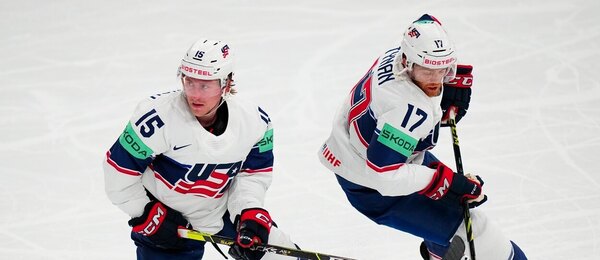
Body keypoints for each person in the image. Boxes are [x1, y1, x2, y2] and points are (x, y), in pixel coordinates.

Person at [318, 14, 527, 260]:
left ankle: (439, 249)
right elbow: (384, 175)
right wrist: (445, 182)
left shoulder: (398, 54)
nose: (437, 80)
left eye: (443, 69)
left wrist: (440, 84)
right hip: (374, 188)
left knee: (455, 212)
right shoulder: (407, 110)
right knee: (481, 236)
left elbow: (426, 22)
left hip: (358, 156)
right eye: (428, 70)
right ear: (408, 61)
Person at [103, 38, 299, 260]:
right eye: (189, 82)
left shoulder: (255, 122)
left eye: (205, 85)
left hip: (219, 211)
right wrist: (146, 215)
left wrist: (249, 211)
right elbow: (117, 173)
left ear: (226, 83)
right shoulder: (156, 119)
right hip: (166, 221)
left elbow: (252, 175)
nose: (194, 94)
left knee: (279, 251)